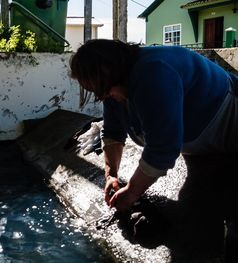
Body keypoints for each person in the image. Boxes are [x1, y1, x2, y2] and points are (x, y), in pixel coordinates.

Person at [70, 39, 238, 262]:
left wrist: (131, 193)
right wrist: (111, 175)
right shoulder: (111, 86)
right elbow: (112, 133)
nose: (104, 95)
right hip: (202, 147)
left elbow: (163, 150)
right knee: (201, 215)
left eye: (101, 88)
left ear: (107, 70)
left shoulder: (154, 72)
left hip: (232, 119)